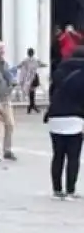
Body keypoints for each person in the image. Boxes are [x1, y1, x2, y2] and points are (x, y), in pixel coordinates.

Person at [44, 45, 84, 199]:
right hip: (75, 117)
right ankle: (70, 190)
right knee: (73, 156)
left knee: (58, 155)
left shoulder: (59, 71)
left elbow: (52, 92)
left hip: (55, 116)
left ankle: (57, 189)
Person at [17, 48, 46, 114]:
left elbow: (20, 65)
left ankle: (31, 105)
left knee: (31, 91)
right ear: (33, 53)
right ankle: (32, 105)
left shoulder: (25, 60)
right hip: (33, 76)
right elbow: (41, 64)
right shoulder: (35, 59)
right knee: (33, 91)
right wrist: (44, 65)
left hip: (28, 76)